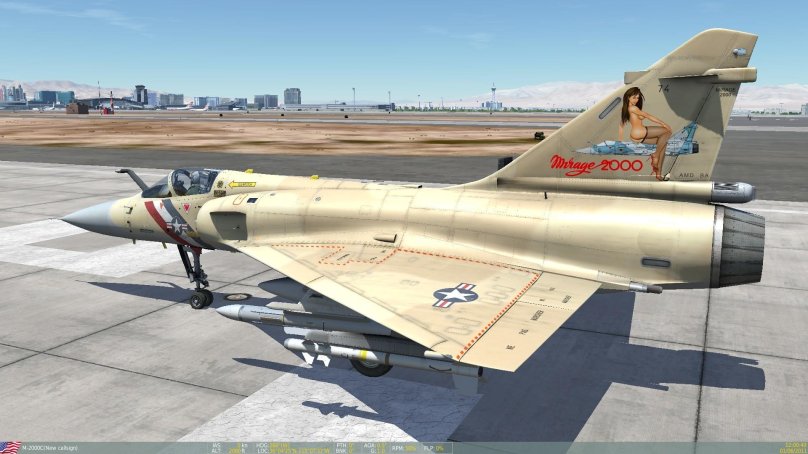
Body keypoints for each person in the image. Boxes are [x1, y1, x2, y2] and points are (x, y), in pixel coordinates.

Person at [618, 87, 672, 181]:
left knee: (663, 143)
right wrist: (663, 124)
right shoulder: (633, 108)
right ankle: (655, 155)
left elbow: (621, 125)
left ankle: (658, 174)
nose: (636, 100)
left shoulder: (627, 109)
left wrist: (620, 140)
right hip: (640, 132)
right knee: (667, 131)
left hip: (635, 136)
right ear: (628, 97)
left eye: (638, 98)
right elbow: (648, 116)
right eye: (634, 97)